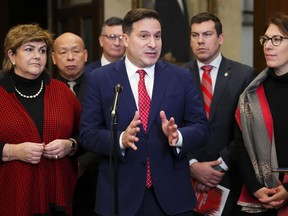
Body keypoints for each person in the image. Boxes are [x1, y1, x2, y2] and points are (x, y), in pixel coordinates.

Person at [80, 8, 210, 216]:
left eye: (157, 36)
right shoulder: (99, 79)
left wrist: (179, 137)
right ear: (125, 39)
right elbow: (87, 134)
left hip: (172, 197)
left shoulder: (180, 77)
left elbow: (202, 128)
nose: (153, 44)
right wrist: (121, 139)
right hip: (120, 196)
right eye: (144, 36)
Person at [0, 24, 81, 215]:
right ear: (12, 56)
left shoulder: (63, 93)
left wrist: (70, 145)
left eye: (42, 50)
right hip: (12, 198)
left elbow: (84, 135)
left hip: (57, 197)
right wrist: (12, 151)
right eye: (29, 49)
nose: (37, 56)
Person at [183, 12, 256, 215]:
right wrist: (193, 164)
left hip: (229, 177)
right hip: (186, 179)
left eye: (207, 34)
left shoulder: (244, 75)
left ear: (220, 38)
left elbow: (246, 129)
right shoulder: (178, 75)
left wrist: (219, 166)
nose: (200, 41)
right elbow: (174, 126)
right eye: (195, 35)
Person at [233, 12, 288, 215]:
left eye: (277, 39)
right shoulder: (251, 92)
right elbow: (240, 146)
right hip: (259, 195)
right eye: (265, 39)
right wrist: (256, 188)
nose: (268, 45)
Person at [52, 32, 100, 216]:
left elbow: (106, 128)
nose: (70, 57)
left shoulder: (100, 85)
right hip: (57, 173)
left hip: (94, 174)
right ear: (54, 58)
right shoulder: (47, 89)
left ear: (86, 55)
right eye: (63, 52)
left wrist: (83, 162)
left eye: (76, 51)